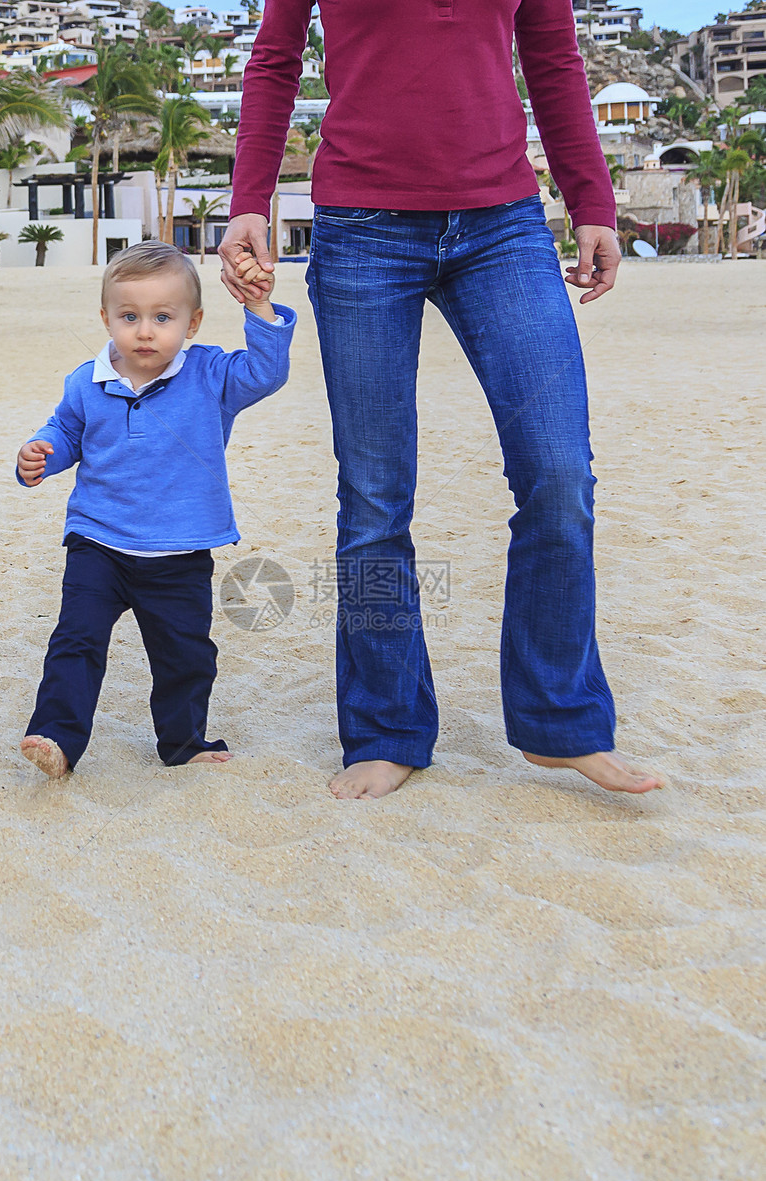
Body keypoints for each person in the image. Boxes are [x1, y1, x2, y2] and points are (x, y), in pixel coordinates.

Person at [218, 0, 663, 800]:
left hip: (505, 228)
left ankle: (560, 722)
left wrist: (591, 202)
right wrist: (250, 199)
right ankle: (387, 728)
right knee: (376, 497)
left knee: (561, 476)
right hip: (361, 228)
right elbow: (275, 58)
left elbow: (556, 65)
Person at [17, 241, 295, 778]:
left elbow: (265, 374)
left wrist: (259, 308)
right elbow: (66, 432)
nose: (145, 331)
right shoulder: (86, 380)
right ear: (106, 318)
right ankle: (57, 736)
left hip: (179, 551)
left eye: (163, 317)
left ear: (192, 323)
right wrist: (40, 455)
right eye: (129, 316)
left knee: (185, 657)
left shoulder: (211, 376)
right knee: (76, 641)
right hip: (98, 541)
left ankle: (183, 743)